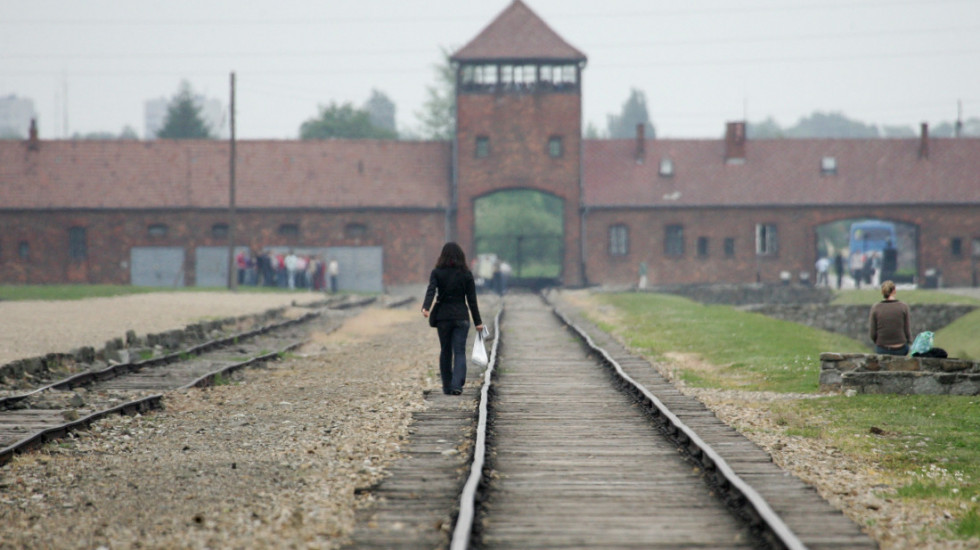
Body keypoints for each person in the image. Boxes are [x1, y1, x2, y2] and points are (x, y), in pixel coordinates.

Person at [421, 242, 484, 395]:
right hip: (461, 316)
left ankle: (447, 386)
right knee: (460, 351)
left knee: (445, 351)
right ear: (461, 256)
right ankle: (457, 385)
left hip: (443, 317)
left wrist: (426, 307)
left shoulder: (437, 272)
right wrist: (478, 322)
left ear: (442, 256)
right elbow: (472, 300)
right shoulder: (466, 274)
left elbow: (431, 290)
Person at [869, 280, 911, 356]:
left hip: (882, 348)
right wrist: (909, 342)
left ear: (882, 292)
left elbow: (872, 333)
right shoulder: (903, 307)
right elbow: (907, 331)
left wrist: (879, 342)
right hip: (900, 348)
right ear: (894, 291)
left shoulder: (876, 308)